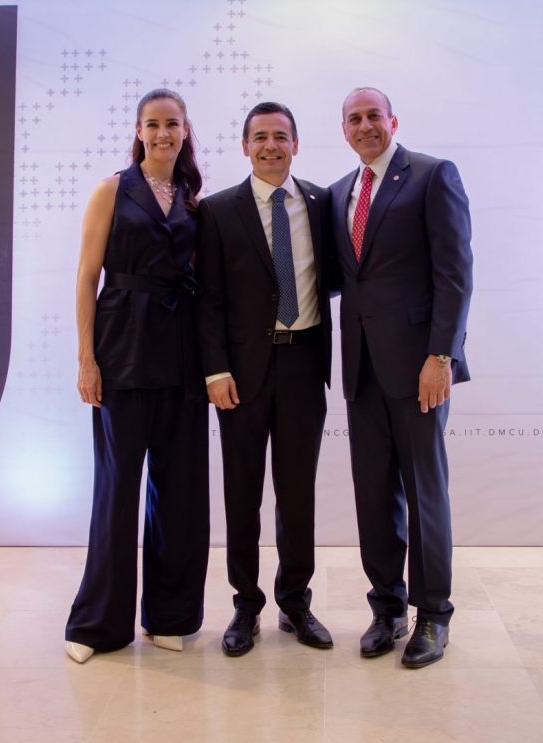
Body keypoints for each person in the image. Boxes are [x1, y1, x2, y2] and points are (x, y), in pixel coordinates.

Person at [329, 87, 472, 669]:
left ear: (393, 121)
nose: (364, 126)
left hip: (419, 369)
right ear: (343, 129)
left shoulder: (432, 176)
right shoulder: (340, 192)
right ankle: (387, 607)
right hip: (361, 368)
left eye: (373, 116)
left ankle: (433, 614)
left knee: (424, 493)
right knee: (373, 494)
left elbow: (455, 274)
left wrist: (441, 357)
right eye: (354, 119)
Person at [65, 89, 209, 664]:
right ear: (138, 131)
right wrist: (86, 358)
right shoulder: (112, 189)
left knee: (179, 490)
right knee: (116, 489)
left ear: (185, 130)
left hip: (181, 356)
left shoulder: (195, 200)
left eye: (172, 123)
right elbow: (86, 276)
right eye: (153, 124)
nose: (162, 133)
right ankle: (98, 625)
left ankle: (170, 617)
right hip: (121, 349)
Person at [196, 102, 335, 657]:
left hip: (304, 363)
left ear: (296, 144)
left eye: (280, 136)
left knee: (297, 493)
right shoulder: (217, 211)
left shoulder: (322, 204)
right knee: (243, 492)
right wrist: (215, 369)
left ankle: (295, 601)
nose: (270, 146)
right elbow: (208, 299)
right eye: (260, 137)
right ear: (244, 146)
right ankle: (246, 604)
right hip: (242, 372)